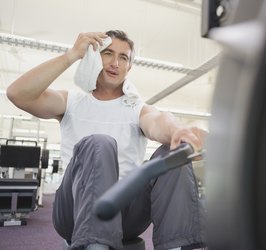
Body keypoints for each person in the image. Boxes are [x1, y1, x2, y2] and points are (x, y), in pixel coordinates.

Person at [6, 30, 207, 250]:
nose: (115, 63)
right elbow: (18, 93)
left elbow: (158, 121)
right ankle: (95, 245)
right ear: (93, 56)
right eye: (107, 53)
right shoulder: (70, 101)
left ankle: (176, 247)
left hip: (127, 214)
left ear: (129, 67)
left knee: (172, 151)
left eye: (123, 57)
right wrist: (72, 55)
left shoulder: (136, 108)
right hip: (74, 212)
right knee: (99, 143)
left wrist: (178, 130)